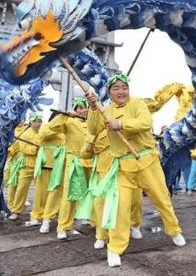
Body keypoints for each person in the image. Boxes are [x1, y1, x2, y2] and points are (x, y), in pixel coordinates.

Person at [85, 73, 185, 267]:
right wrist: (93, 107)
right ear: (109, 93)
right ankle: (114, 248)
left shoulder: (138, 104)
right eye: (116, 88)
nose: (121, 91)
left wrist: (121, 124)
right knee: (119, 208)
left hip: (146, 161)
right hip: (122, 165)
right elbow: (93, 128)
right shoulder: (105, 110)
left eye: (124, 87)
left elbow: (145, 123)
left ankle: (174, 230)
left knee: (162, 199)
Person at [43, 98, 91, 240]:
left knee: (91, 194)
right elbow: (50, 129)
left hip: (90, 162)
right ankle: (62, 226)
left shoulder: (91, 123)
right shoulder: (69, 121)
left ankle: (90, 220)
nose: (83, 110)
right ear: (75, 109)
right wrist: (64, 116)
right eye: (80, 108)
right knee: (68, 195)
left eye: (85, 107)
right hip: (73, 160)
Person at [8, 113, 43, 220]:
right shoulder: (25, 134)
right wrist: (36, 150)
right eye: (35, 122)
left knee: (41, 189)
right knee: (21, 188)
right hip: (27, 165)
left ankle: (41, 211)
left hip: (40, 166)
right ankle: (16, 210)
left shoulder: (43, 133)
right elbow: (24, 149)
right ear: (31, 122)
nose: (37, 124)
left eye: (39, 121)